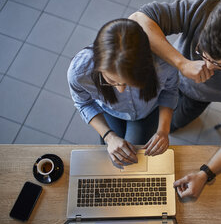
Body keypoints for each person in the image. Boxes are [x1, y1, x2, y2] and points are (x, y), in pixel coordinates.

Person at [130, 0, 221, 198]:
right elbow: (138, 19)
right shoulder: (205, 9)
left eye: (219, 65)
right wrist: (182, 63)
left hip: (196, 100)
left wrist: (205, 173)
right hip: (167, 75)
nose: (205, 67)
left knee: (174, 123)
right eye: (202, 53)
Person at [67, 18, 178, 167]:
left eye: (129, 83)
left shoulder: (164, 64)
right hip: (110, 112)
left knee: (127, 162)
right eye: (111, 81)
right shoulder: (79, 72)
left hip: (147, 113)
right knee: (116, 158)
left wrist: (163, 131)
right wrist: (109, 136)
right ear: (98, 65)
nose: (121, 90)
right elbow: (83, 103)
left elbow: (170, 91)